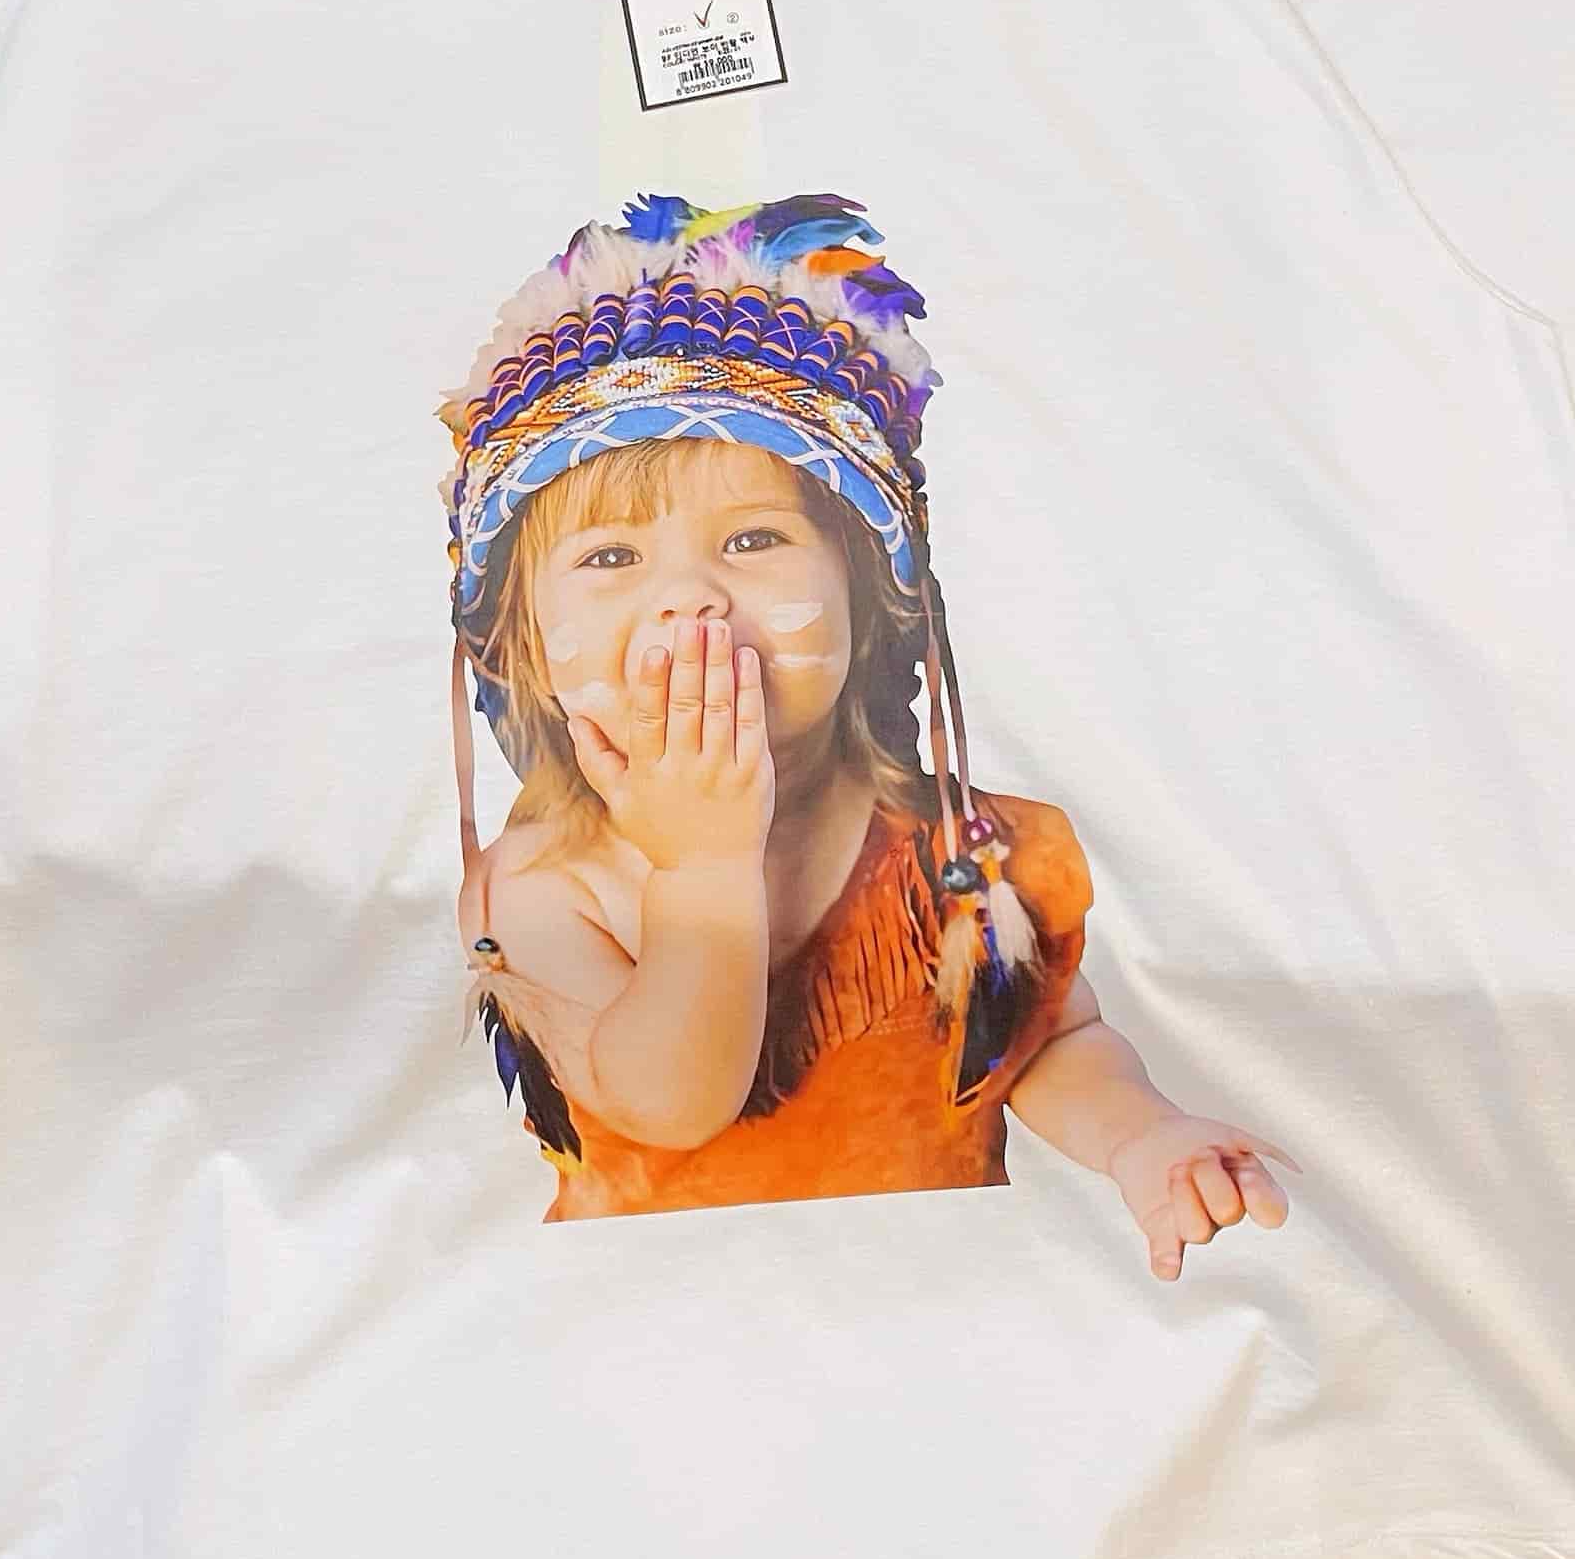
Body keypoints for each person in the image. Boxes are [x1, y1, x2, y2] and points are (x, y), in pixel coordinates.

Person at [437, 191, 1299, 1271]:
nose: (689, 600)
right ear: (521, 645)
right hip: (657, 1333)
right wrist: (703, 865)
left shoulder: (962, 853)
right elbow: (670, 1106)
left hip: (947, 1313)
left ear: (869, 597)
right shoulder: (539, 884)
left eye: (752, 539)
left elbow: (1044, 1044)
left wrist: (1141, 1138)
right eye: (611, 558)